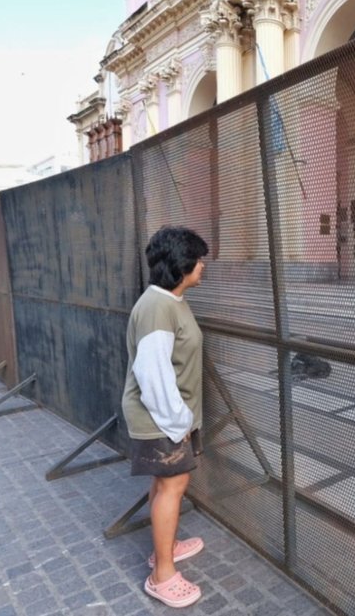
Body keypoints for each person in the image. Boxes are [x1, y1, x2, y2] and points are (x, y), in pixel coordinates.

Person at [121, 226, 209, 608]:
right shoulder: (158, 308)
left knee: (166, 482)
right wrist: (178, 422)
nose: (203, 266)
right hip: (162, 417)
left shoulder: (169, 300)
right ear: (182, 265)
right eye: (198, 259)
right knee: (173, 484)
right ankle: (162, 575)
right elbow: (153, 376)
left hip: (168, 415)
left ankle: (165, 546)